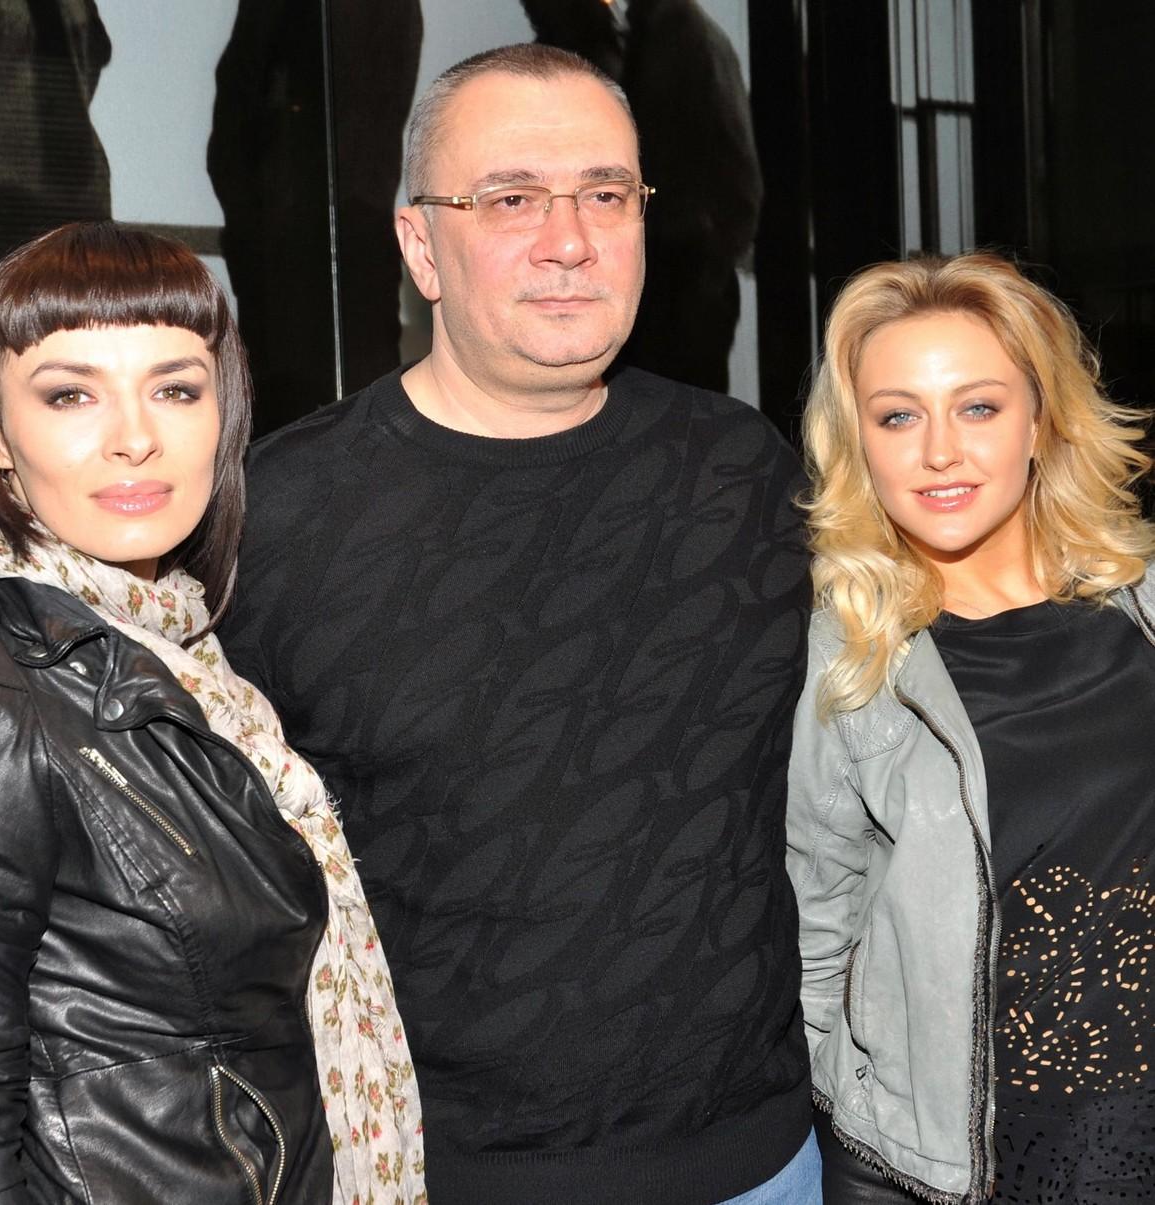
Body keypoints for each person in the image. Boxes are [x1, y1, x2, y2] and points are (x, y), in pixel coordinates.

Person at [220, 42, 820, 1205]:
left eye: (605, 194)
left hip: (763, 1164)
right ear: (418, 247)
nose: (569, 240)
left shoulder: (744, 474)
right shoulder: (276, 520)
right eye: (509, 199)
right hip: (436, 1175)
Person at [0, 222, 424, 1204]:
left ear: (224, 416)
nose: (135, 436)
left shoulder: (187, 652)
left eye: (174, 388)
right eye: (71, 394)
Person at [788, 252, 1154, 1203]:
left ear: (1041, 419)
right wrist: (868, 1116)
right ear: (859, 443)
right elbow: (811, 939)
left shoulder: (1143, 606)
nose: (939, 451)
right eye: (897, 416)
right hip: (964, 1171)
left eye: (978, 407)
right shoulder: (843, 662)